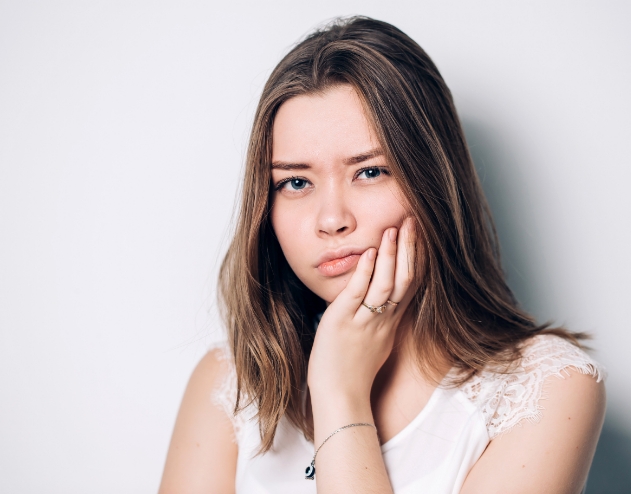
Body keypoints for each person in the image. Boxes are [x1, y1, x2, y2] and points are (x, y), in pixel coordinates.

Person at [159, 17, 606, 494]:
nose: (331, 220)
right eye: (295, 182)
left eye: (369, 172)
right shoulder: (228, 384)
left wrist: (340, 392)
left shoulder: (548, 387)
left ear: (433, 180)